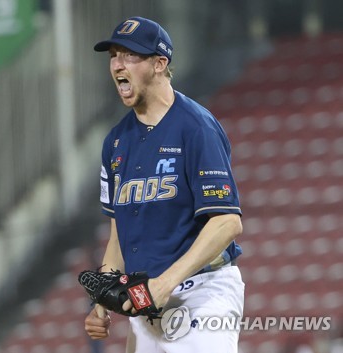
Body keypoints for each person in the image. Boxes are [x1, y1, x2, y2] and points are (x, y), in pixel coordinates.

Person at [84, 16, 245, 352]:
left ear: (160, 64)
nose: (117, 65)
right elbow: (119, 234)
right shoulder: (115, 142)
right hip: (145, 300)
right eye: (114, 55)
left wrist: (165, 283)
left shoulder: (196, 128)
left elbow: (227, 222)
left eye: (130, 56)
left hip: (200, 294)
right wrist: (101, 298)